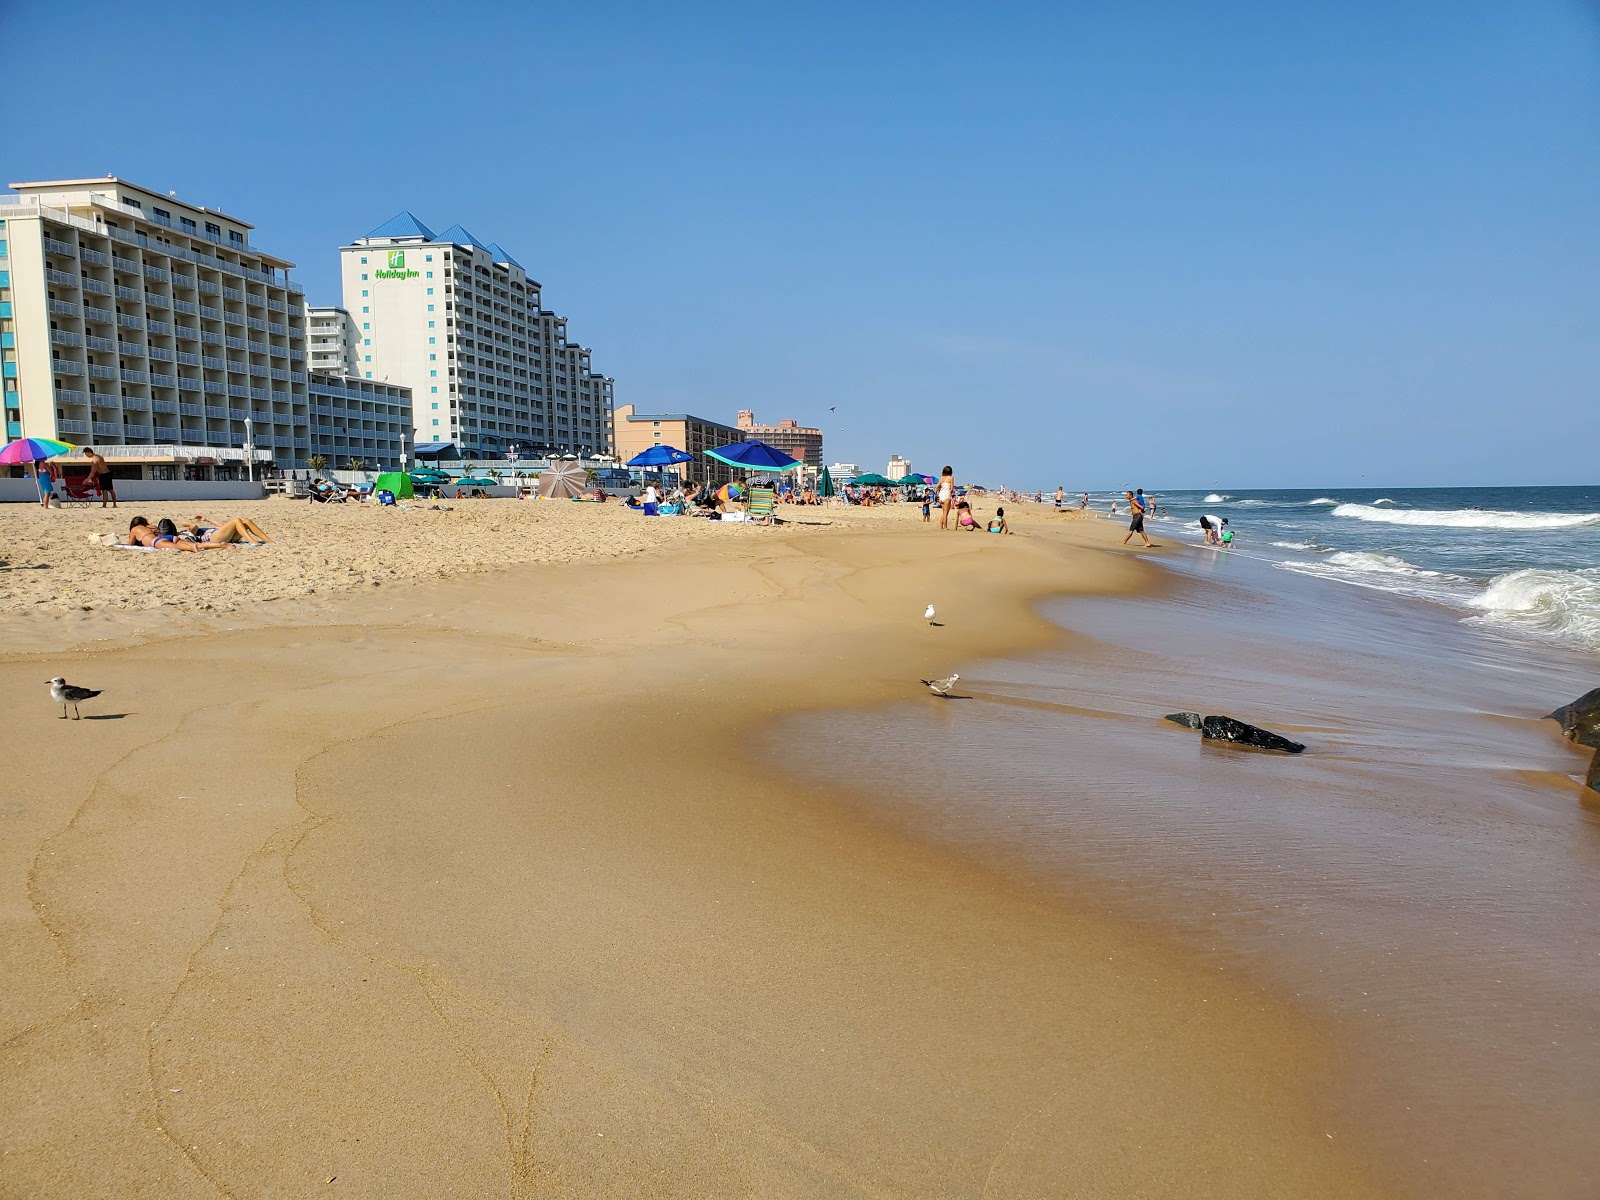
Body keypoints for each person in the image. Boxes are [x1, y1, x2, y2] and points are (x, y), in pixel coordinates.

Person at [126, 516, 234, 551]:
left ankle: (221, 545)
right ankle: (222, 545)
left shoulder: (134, 529)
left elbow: (130, 545)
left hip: (157, 542)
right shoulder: (152, 527)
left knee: (191, 547)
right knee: (193, 545)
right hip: (169, 537)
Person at [183, 514, 274, 544]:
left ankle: (269, 541)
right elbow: (194, 526)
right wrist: (187, 524)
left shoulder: (204, 529)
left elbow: (223, 526)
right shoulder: (191, 533)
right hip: (213, 538)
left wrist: (207, 519)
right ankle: (251, 541)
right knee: (236, 520)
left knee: (245, 521)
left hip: (224, 536)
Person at [937, 465, 955, 530]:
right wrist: (951, 492)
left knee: (943, 512)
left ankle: (941, 526)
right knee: (946, 513)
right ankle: (945, 526)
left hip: (941, 495)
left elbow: (937, 487)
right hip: (947, 495)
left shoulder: (942, 478)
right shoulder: (951, 478)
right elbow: (952, 488)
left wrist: (940, 490)